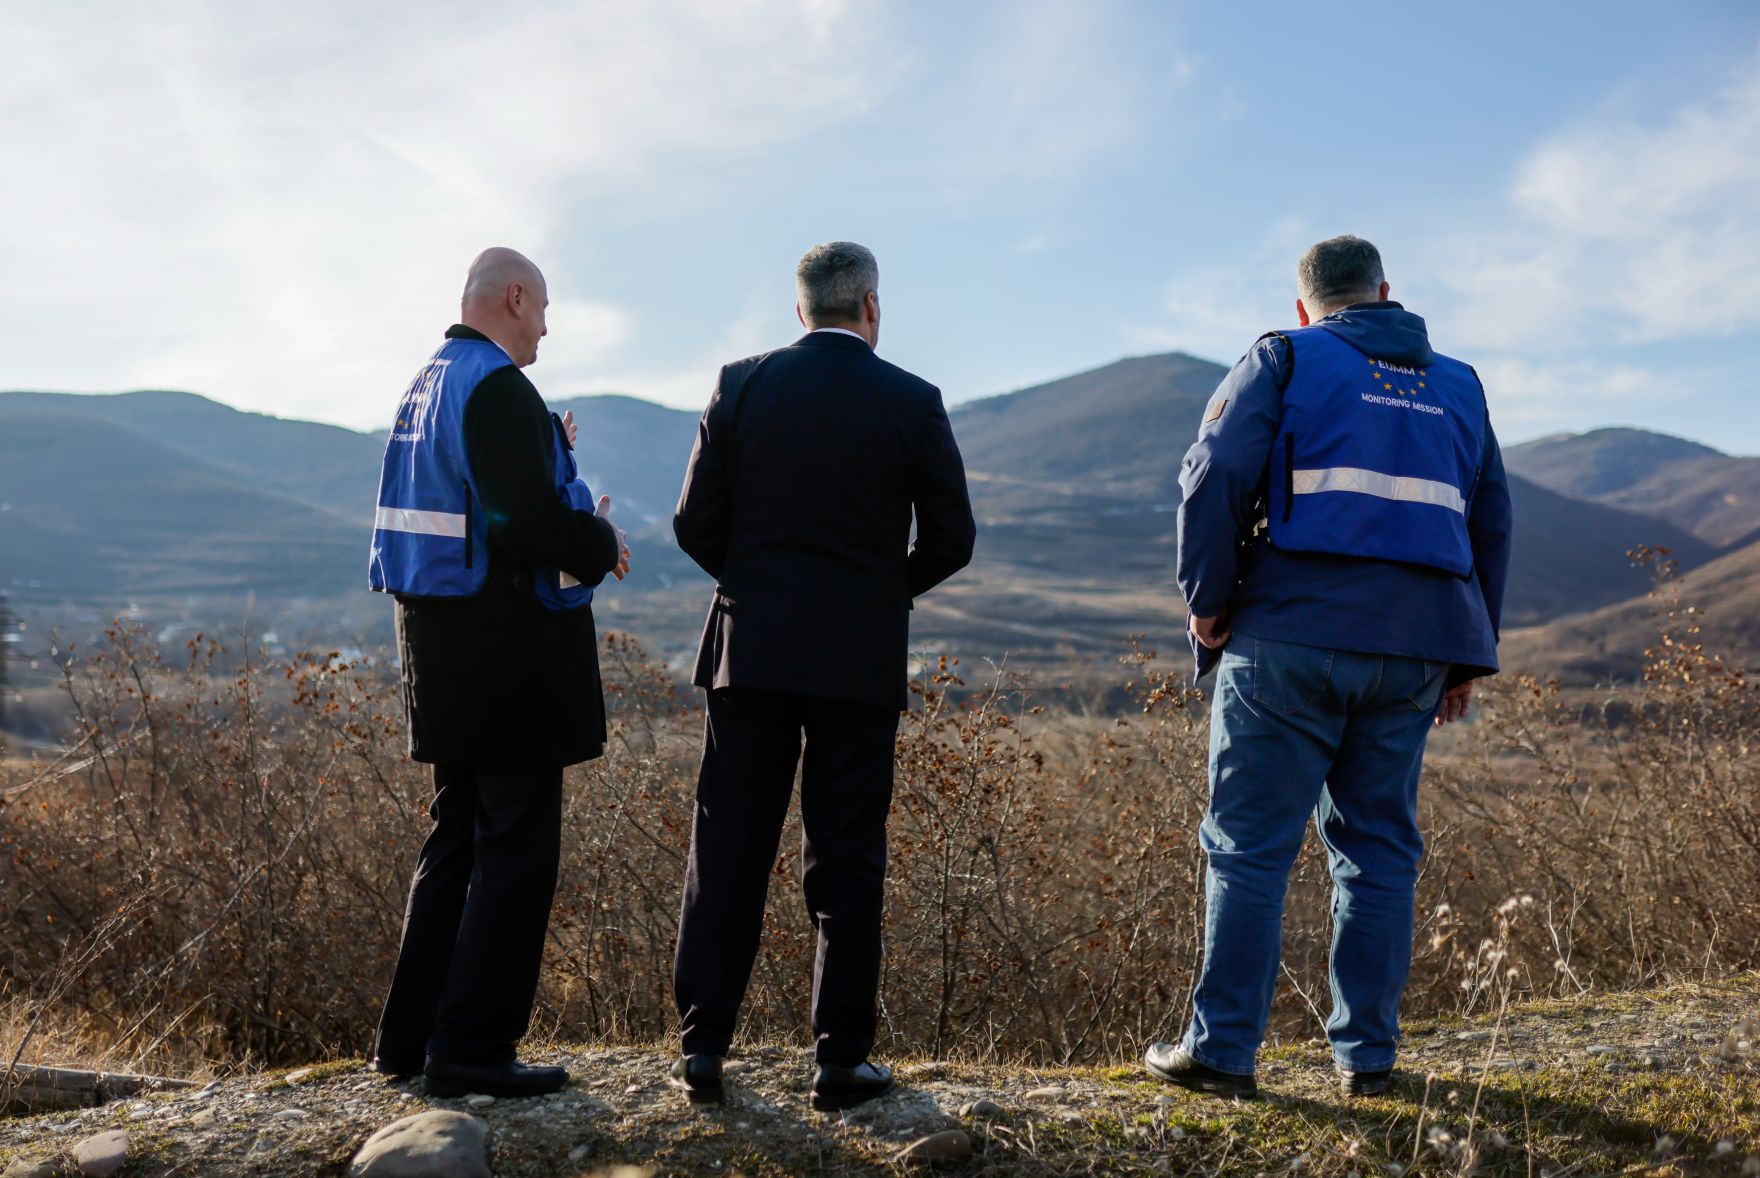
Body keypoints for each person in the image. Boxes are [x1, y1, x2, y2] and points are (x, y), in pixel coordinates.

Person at [1145, 235, 1513, 1099]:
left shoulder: (1282, 356)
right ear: (1386, 292)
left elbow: (1214, 473)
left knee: (1247, 848)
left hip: (1288, 640)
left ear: (1305, 305)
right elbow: (1490, 520)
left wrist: (1206, 601)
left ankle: (1224, 1053)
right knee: (1379, 850)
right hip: (1417, 650)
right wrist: (1467, 654)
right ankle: (1368, 1061)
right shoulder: (1460, 384)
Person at [667, 241, 976, 1110]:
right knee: (845, 854)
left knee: (728, 846)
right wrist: (876, 594)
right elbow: (952, 540)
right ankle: (840, 1058)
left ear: (799, 310)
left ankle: (703, 1047)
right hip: (856, 657)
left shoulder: (741, 384)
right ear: (871, 308)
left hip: (751, 651)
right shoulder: (912, 400)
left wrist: (760, 586)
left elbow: (694, 523)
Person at [366, 247, 632, 1098]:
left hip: (438, 649)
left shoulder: (428, 383)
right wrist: (596, 537)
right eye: (544, 308)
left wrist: (544, 451)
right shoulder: (497, 386)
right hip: (505, 658)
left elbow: (475, 497)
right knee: (514, 850)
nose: (547, 326)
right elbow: (519, 524)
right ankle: (475, 1047)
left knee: (455, 841)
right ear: (514, 297)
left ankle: (410, 1038)